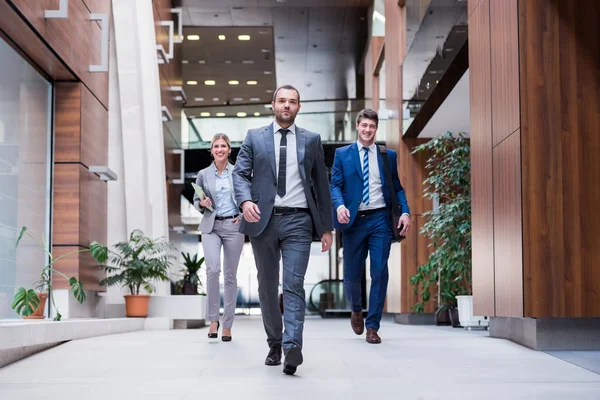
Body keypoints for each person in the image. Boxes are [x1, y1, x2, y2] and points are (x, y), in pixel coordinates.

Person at [233, 85, 333, 375]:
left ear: (299, 107)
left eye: (292, 102)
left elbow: (321, 186)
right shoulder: (255, 137)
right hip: (263, 220)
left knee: (293, 285)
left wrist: (326, 228)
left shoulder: (311, 140)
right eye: (282, 101)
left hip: (299, 221)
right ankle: (275, 343)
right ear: (272, 104)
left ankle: (292, 347)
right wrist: (244, 201)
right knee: (266, 287)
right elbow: (240, 174)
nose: (286, 106)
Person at [330, 108, 411, 344]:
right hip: (353, 221)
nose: (368, 130)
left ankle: (373, 326)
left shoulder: (388, 155)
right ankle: (356, 309)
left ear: (376, 129)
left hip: (379, 220)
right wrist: (339, 206)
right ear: (357, 126)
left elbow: (397, 187)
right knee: (352, 275)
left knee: (379, 271)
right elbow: (335, 184)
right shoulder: (342, 154)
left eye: (372, 126)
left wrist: (404, 211)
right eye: (364, 125)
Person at [193, 133, 244, 342]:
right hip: (211, 226)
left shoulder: (238, 172)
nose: (220, 149)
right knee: (213, 270)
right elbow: (197, 199)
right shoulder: (204, 174)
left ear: (229, 150)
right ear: (211, 150)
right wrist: (201, 204)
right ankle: (213, 319)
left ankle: (228, 325)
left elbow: (248, 196)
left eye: (224, 146)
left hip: (234, 226)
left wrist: (242, 216)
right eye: (216, 146)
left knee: (230, 276)